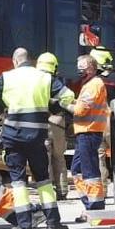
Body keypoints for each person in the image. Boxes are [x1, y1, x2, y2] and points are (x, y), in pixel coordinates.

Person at [0, 48, 75, 229]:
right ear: (30, 60)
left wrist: (2, 107)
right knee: (43, 180)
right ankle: (53, 223)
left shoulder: (7, 77)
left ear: (15, 61)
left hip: (12, 137)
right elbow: (68, 96)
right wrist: (50, 106)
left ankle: (24, 226)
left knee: (18, 181)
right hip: (37, 137)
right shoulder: (43, 77)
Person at [69, 54, 111, 209]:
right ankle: (89, 202)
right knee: (77, 170)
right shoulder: (88, 84)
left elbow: (80, 110)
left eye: (83, 67)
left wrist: (65, 104)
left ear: (92, 68)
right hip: (85, 132)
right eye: (78, 67)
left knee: (89, 170)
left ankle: (95, 205)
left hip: (89, 132)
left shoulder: (94, 84)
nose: (79, 70)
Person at [38, 50, 72, 199]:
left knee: (44, 158)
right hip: (58, 123)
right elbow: (68, 99)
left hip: (41, 123)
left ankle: (48, 192)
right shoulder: (57, 81)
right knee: (59, 157)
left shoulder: (35, 81)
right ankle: (62, 191)